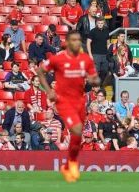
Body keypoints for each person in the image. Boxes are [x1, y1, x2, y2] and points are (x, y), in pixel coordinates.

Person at [37, 30, 100, 183]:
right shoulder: (58, 59)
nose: (77, 42)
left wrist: (95, 80)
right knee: (77, 129)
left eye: (79, 39)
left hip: (80, 100)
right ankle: (72, 164)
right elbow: (40, 71)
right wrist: (49, 90)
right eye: (74, 40)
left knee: (78, 136)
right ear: (67, 42)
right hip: (63, 101)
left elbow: (93, 77)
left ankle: (68, 164)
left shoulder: (86, 59)